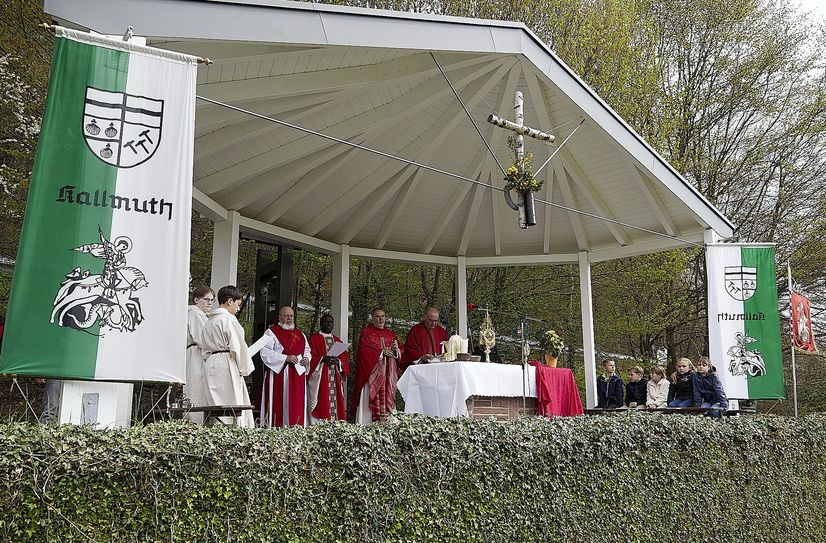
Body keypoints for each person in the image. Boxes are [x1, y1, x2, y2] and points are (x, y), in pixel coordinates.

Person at [201, 285, 255, 427]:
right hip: (226, 364)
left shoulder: (209, 322)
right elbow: (237, 347)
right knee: (231, 402)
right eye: (238, 304)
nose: (238, 309)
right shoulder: (228, 320)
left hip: (211, 363)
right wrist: (245, 368)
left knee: (214, 402)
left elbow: (204, 350)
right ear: (230, 301)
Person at [259, 306, 311, 428]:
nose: (289, 318)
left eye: (291, 316)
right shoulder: (271, 332)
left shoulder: (300, 333)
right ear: (280, 317)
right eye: (286, 315)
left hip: (297, 374)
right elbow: (265, 352)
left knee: (296, 405)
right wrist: (285, 358)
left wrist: (307, 358)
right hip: (279, 374)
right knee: (278, 405)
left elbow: (307, 350)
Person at [352, 307, 402, 424]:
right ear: (372, 318)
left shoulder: (391, 333)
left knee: (388, 399)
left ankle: (388, 424)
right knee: (369, 407)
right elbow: (363, 351)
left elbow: (400, 350)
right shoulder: (366, 332)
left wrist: (395, 350)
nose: (381, 319)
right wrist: (381, 352)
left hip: (388, 374)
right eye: (378, 316)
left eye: (383, 316)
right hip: (372, 375)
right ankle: (367, 425)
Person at [307, 314, 350, 423]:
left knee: (336, 401)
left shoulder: (337, 340)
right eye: (326, 322)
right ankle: (317, 424)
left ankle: (335, 422)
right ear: (321, 324)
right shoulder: (313, 339)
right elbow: (309, 357)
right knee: (322, 401)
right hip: (320, 378)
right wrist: (322, 359)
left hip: (334, 378)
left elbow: (345, 358)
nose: (329, 324)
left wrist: (338, 361)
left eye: (331, 322)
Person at [184, 286, 214, 424]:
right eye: (206, 299)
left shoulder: (201, 315)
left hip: (199, 353)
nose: (209, 303)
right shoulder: (194, 313)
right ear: (196, 299)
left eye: (212, 300)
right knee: (195, 389)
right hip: (196, 354)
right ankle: (195, 423)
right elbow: (201, 338)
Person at [400, 307, 448, 372]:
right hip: (421, 368)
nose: (433, 323)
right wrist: (422, 356)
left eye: (436, 321)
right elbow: (409, 348)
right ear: (425, 317)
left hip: (439, 367)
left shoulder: (441, 332)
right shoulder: (415, 331)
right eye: (431, 320)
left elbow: (446, 348)